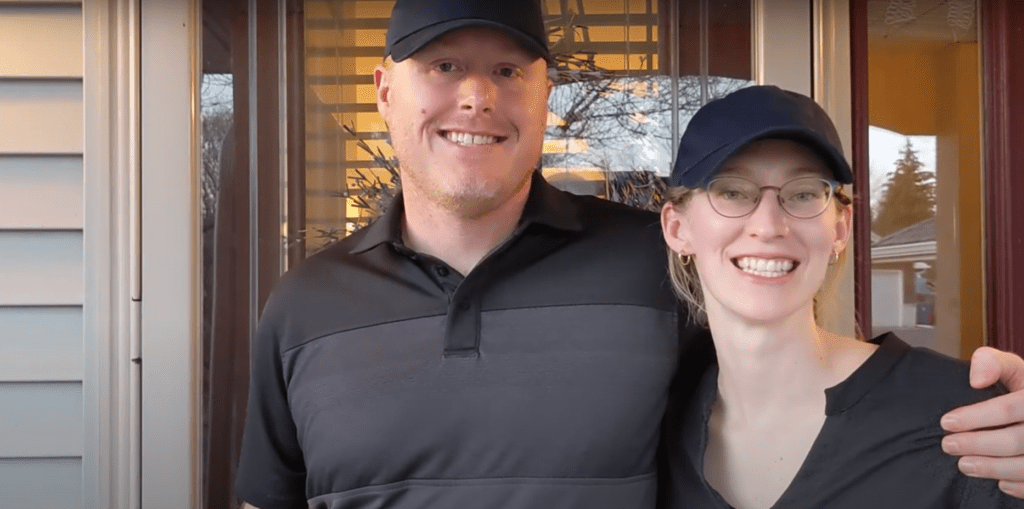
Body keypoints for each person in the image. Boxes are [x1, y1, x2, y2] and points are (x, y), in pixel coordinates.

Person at [234, 1, 1024, 508]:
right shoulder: (303, 303)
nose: (476, 96)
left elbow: (785, 357)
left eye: (508, 70)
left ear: (545, 97)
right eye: (443, 65)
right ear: (382, 90)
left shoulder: (643, 264)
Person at [658, 85, 1024, 508]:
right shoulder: (655, 424)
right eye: (732, 192)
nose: (769, 225)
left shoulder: (968, 421)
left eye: (803, 193)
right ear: (677, 229)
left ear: (840, 228)